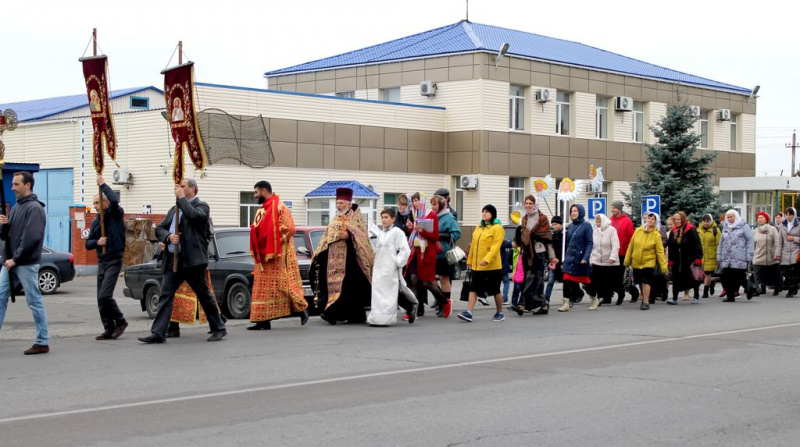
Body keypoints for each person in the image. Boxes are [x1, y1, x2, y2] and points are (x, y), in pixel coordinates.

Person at [138, 179, 227, 343]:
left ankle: (219, 328)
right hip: (173, 259)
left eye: (183, 186)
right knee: (165, 295)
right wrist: (168, 237)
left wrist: (182, 199)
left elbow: (194, 217)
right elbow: (159, 229)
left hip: (192, 260)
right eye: (178, 187)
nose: (178, 189)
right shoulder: (174, 209)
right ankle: (158, 333)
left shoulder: (202, 206)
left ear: (192, 189)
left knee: (204, 294)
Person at [247, 181, 309, 331]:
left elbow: (290, 229)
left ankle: (301, 309)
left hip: (278, 253)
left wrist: (272, 239)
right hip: (263, 254)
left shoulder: (280, 207)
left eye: (256, 193)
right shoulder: (262, 210)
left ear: (263, 191)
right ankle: (263, 321)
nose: (255, 196)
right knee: (262, 288)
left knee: (282, 285)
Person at [0, 171, 49, 355]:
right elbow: (7, 237)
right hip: (11, 262)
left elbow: (31, 238)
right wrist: (3, 225)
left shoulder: (35, 208)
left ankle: (42, 341)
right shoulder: (16, 208)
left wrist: (16, 259)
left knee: (34, 301)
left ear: (28, 185)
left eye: (16, 184)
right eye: (12, 184)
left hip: (25, 263)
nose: (13, 188)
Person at [85, 174, 128, 340]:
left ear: (105, 203)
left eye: (98, 203)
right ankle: (108, 328)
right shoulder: (96, 222)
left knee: (105, 295)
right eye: (94, 203)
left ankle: (121, 321)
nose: (95, 206)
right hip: (102, 260)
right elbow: (87, 244)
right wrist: (98, 241)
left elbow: (115, 201)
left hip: (114, 259)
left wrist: (103, 185)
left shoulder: (116, 214)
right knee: (100, 298)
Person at [368, 208, 418, 326]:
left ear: (393, 219)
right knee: (378, 292)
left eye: (386, 218)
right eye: (382, 218)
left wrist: (397, 262)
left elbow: (405, 249)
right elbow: (378, 250)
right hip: (379, 267)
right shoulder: (380, 233)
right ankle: (377, 316)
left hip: (390, 267)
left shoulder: (397, 232)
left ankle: (389, 316)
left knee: (390, 292)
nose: (384, 220)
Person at [404, 193, 451, 318]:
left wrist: (422, 231)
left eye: (417, 201)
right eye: (413, 201)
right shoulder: (415, 214)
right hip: (416, 250)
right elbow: (414, 233)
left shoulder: (431, 215)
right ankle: (412, 310)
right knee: (414, 280)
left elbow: (435, 236)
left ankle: (445, 303)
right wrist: (410, 228)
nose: (415, 203)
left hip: (428, 252)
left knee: (426, 283)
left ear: (423, 201)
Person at [458, 204, 505, 322]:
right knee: (474, 288)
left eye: (487, 212)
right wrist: (469, 261)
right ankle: (469, 312)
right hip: (478, 266)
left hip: (492, 266)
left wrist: (487, 259)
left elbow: (495, 246)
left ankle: (500, 312)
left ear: (492, 215)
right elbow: (473, 245)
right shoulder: (479, 227)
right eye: (483, 211)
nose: (484, 213)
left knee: (495, 290)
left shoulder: (497, 228)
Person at [511, 195, 556, 315]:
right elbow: (524, 236)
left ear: (535, 204)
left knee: (536, 279)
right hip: (527, 252)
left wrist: (552, 257)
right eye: (526, 203)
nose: (528, 206)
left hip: (539, 253)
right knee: (530, 279)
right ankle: (541, 305)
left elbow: (548, 239)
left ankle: (522, 304)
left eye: (530, 203)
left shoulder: (542, 218)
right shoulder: (524, 219)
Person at [625, 212, 669, 310]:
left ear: (656, 221)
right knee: (640, 281)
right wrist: (627, 260)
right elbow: (631, 246)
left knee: (646, 281)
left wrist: (664, 267)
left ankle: (646, 301)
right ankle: (644, 297)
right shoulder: (638, 231)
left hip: (649, 261)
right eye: (649, 218)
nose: (650, 220)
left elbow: (660, 252)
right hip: (637, 261)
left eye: (652, 219)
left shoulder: (656, 235)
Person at [558, 204, 595, 312]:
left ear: (581, 212)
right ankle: (566, 303)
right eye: (571, 211)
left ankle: (594, 298)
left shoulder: (586, 225)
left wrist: (586, 257)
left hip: (581, 258)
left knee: (586, 281)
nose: (572, 213)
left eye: (575, 211)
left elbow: (589, 243)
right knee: (566, 279)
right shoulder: (569, 226)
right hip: (570, 258)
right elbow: (567, 244)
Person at [717, 209, 755, 302]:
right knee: (726, 277)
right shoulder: (726, 228)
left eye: (731, 217)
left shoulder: (744, 227)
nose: (730, 219)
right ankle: (730, 297)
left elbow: (750, 240)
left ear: (736, 217)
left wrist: (750, 254)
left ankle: (750, 289)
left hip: (739, 256)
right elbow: (721, 242)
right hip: (727, 257)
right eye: (728, 217)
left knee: (740, 277)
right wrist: (719, 255)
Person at [666, 212, 702, 304]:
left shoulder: (691, 230)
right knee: (676, 278)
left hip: (689, 259)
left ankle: (696, 296)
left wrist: (698, 259)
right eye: (675, 220)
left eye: (679, 219)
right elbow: (670, 247)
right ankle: (674, 298)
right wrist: (670, 261)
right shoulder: (673, 232)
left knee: (693, 278)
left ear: (683, 219)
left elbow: (698, 245)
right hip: (677, 260)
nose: (677, 221)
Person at [432, 194, 461, 311]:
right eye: (432, 204)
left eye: (435, 204)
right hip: (432, 252)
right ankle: (441, 300)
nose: (433, 207)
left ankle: (445, 306)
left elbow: (457, 233)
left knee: (444, 279)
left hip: (444, 253)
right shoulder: (431, 216)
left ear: (442, 205)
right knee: (429, 280)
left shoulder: (448, 217)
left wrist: (442, 236)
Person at [590, 213, 620, 305]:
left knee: (609, 281)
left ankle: (610, 296)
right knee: (596, 281)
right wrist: (591, 258)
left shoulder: (612, 230)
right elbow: (593, 246)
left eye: (599, 221)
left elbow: (615, 245)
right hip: (597, 260)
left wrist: (613, 257)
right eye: (596, 221)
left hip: (609, 260)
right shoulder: (595, 231)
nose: (598, 223)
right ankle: (598, 297)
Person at [609, 201, 634, 303]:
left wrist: (630, 252)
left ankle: (627, 294)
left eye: (614, 208)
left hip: (622, 253)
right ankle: (608, 296)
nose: (612, 210)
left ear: (619, 209)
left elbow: (631, 238)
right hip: (611, 253)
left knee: (620, 276)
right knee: (612, 276)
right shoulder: (609, 220)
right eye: (611, 207)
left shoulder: (627, 221)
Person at [753, 211, 781, 296]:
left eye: (762, 218)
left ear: (766, 219)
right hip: (759, 255)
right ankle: (760, 288)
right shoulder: (755, 231)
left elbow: (777, 242)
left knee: (774, 274)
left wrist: (776, 253)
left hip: (771, 256)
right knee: (758, 273)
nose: (760, 219)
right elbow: (753, 244)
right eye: (758, 218)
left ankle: (777, 288)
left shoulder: (772, 229)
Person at [697, 214, 721, 298]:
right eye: (704, 221)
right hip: (701, 256)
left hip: (711, 256)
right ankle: (711, 283)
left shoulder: (716, 230)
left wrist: (719, 255)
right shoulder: (698, 230)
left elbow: (719, 244)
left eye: (708, 221)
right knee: (702, 274)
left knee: (707, 273)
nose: (706, 223)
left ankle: (705, 292)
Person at [778, 207, 800, 297]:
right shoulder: (783, 226)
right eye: (787, 215)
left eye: (790, 215)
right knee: (786, 272)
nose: (788, 217)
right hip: (785, 252)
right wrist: (778, 254)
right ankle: (792, 287)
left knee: (794, 272)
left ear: (794, 215)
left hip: (796, 251)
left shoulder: (798, 225)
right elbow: (779, 241)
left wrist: (794, 238)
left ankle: (792, 289)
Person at [544, 215, 563, 305]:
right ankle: (546, 299)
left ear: (560, 224)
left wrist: (564, 261)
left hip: (563, 262)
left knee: (567, 282)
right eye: (553, 224)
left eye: (556, 224)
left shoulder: (565, 235)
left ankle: (568, 299)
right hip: (554, 262)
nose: (554, 226)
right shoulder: (553, 235)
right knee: (550, 281)